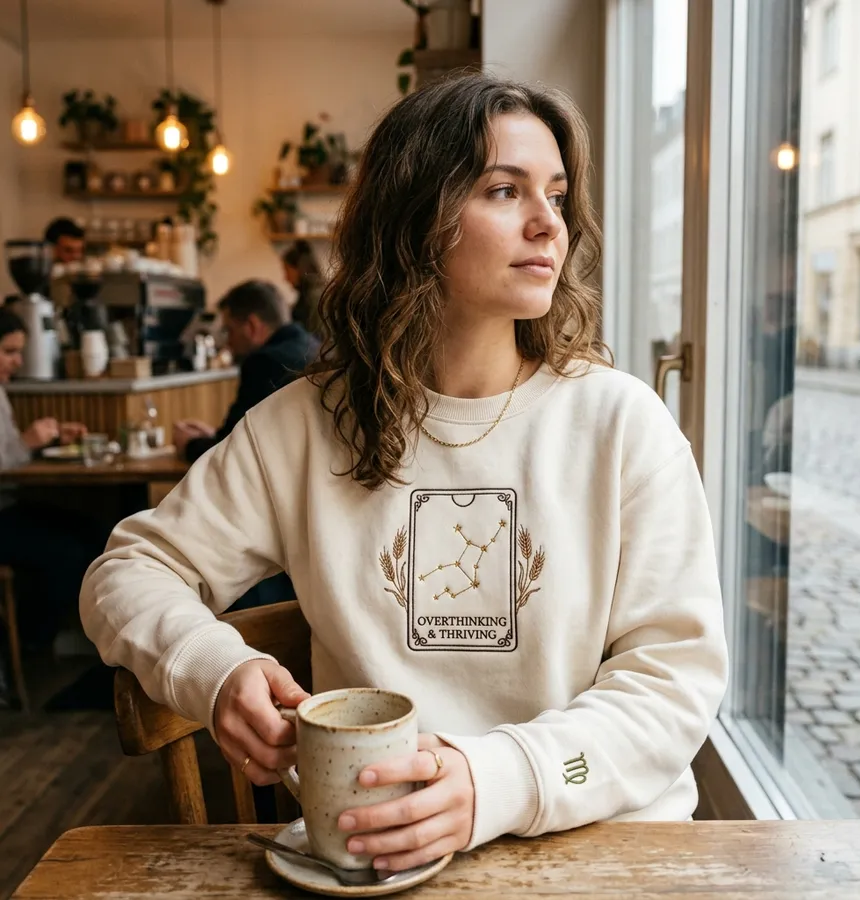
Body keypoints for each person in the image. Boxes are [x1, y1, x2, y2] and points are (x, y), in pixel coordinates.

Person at [81, 75, 728, 871]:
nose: (548, 225)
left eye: (557, 196)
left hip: (605, 853)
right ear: (415, 219)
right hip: (375, 863)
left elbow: (675, 685)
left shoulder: (623, 423)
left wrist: (494, 780)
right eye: (504, 189)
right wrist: (215, 671)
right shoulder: (302, 426)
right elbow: (128, 571)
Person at [0, 307, 99, 684]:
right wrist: (27, 441)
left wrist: (47, 441)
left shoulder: (1, 392)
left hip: (9, 504)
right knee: (67, 554)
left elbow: (9, 456)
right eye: (9, 351)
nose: (18, 361)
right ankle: (25, 647)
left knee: (94, 532)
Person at [172, 279, 320, 464]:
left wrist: (188, 444)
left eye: (229, 330)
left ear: (251, 326)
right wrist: (213, 435)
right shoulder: (315, 347)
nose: (228, 342)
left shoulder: (264, 362)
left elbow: (231, 453)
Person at [282, 240, 325, 339]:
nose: (285, 277)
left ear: (299, 269)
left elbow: (317, 338)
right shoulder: (307, 294)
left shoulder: (315, 297)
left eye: (287, 271)